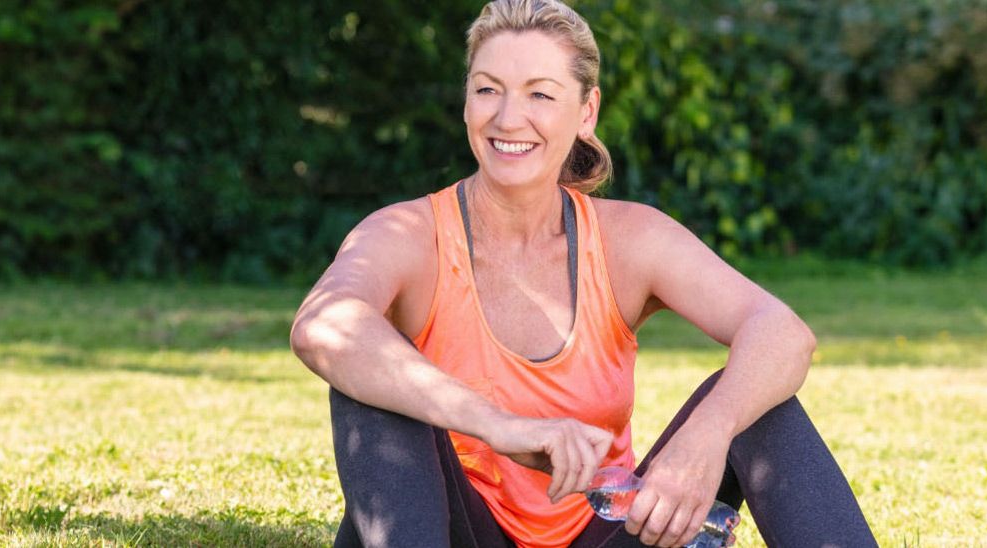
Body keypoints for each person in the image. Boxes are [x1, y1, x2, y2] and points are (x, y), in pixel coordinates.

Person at [288, 1, 877, 546]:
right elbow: (323, 329)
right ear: (467, 101)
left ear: (586, 111)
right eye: (487, 89)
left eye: (540, 95)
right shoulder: (407, 234)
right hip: (456, 531)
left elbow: (782, 332)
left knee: (757, 407)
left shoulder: (630, 239)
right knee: (373, 383)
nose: (508, 116)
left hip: (601, 533)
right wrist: (500, 426)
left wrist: (706, 436)